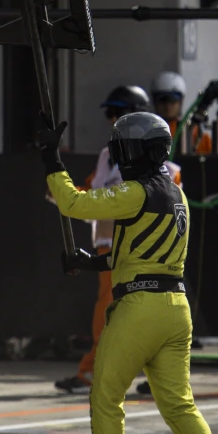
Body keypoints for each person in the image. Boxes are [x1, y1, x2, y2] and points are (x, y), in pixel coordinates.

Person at [39, 110, 218, 434]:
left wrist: (51, 161)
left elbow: (74, 203)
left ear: (141, 152)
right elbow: (143, 254)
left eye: (124, 149)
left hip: (139, 308)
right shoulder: (177, 195)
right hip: (176, 309)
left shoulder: (136, 191)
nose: (120, 156)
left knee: (106, 394)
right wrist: (92, 263)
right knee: (180, 405)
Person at [55, 84, 178, 396]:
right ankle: (96, 373)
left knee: (143, 316)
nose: (113, 120)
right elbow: (93, 195)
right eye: (111, 114)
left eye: (119, 113)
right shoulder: (106, 157)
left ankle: (154, 375)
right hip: (108, 249)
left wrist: (67, 191)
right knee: (109, 313)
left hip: (145, 253)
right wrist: (67, 194)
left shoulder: (164, 167)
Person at [152, 70, 213, 156]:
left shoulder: (197, 135)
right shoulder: (147, 134)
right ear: (155, 102)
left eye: (172, 101)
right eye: (162, 101)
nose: (168, 106)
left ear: (181, 101)